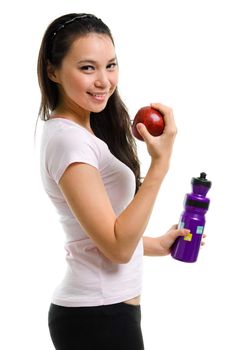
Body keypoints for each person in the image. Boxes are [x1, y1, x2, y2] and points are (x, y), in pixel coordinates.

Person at [37, 12, 189, 350]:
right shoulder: (69, 141)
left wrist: (155, 244)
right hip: (95, 316)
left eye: (111, 65)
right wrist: (160, 166)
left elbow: (99, 233)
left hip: (105, 313)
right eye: (88, 67)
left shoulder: (83, 132)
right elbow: (117, 247)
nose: (104, 80)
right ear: (53, 71)